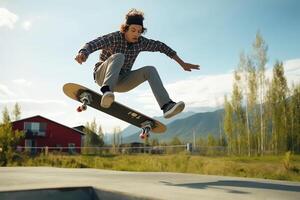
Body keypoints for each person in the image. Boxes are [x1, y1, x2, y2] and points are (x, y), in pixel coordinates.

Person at [75, 9, 199, 119]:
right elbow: (93, 43)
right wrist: (83, 53)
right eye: (133, 30)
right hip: (102, 76)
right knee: (119, 56)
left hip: (122, 80)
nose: (136, 34)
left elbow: (161, 47)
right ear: (125, 29)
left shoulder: (140, 42)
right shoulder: (114, 37)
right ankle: (107, 91)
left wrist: (182, 63)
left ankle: (166, 106)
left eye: (139, 31)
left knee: (150, 70)